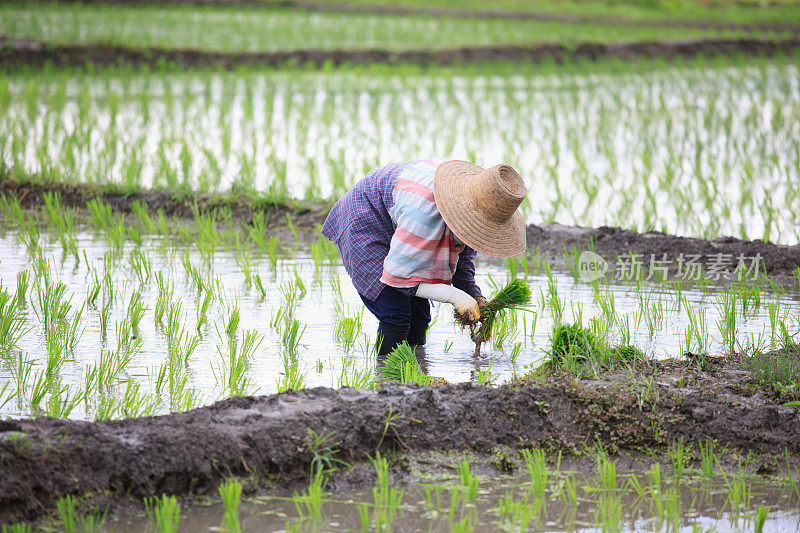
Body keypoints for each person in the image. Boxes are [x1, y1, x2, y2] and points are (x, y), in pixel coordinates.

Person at [321, 159, 527, 355]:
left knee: (420, 317)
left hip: (404, 217)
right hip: (367, 218)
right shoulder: (423, 213)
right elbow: (399, 277)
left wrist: (475, 297)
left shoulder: (478, 207)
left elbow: (462, 262)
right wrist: (455, 297)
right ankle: (386, 378)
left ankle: (415, 374)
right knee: (395, 313)